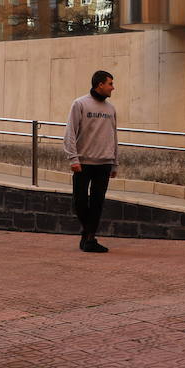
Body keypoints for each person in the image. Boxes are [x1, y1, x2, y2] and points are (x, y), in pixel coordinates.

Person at [64, 70, 118, 253]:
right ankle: (88, 235)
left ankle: (89, 239)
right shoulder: (80, 104)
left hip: (104, 163)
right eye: (110, 83)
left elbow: (113, 137)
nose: (113, 87)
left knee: (97, 203)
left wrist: (114, 162)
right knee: (79, 202)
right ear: (100, 84)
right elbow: (70, 132)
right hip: (83, 163)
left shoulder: (111, 109)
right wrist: (73, 158)